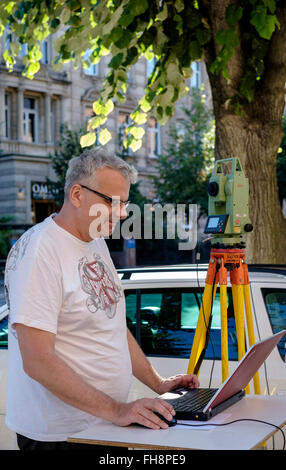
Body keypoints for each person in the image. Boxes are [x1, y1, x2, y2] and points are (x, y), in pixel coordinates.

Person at [4, 149, 199, 451]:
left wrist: (158, 383)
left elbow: (112, 326)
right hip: (60, 436)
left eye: (125, 203)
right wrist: (117, 410)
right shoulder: (40, 250)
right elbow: (37, 360)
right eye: (113, 202)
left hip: (102, 426)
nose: (122, 214)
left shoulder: (95, 242)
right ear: (78, 194)